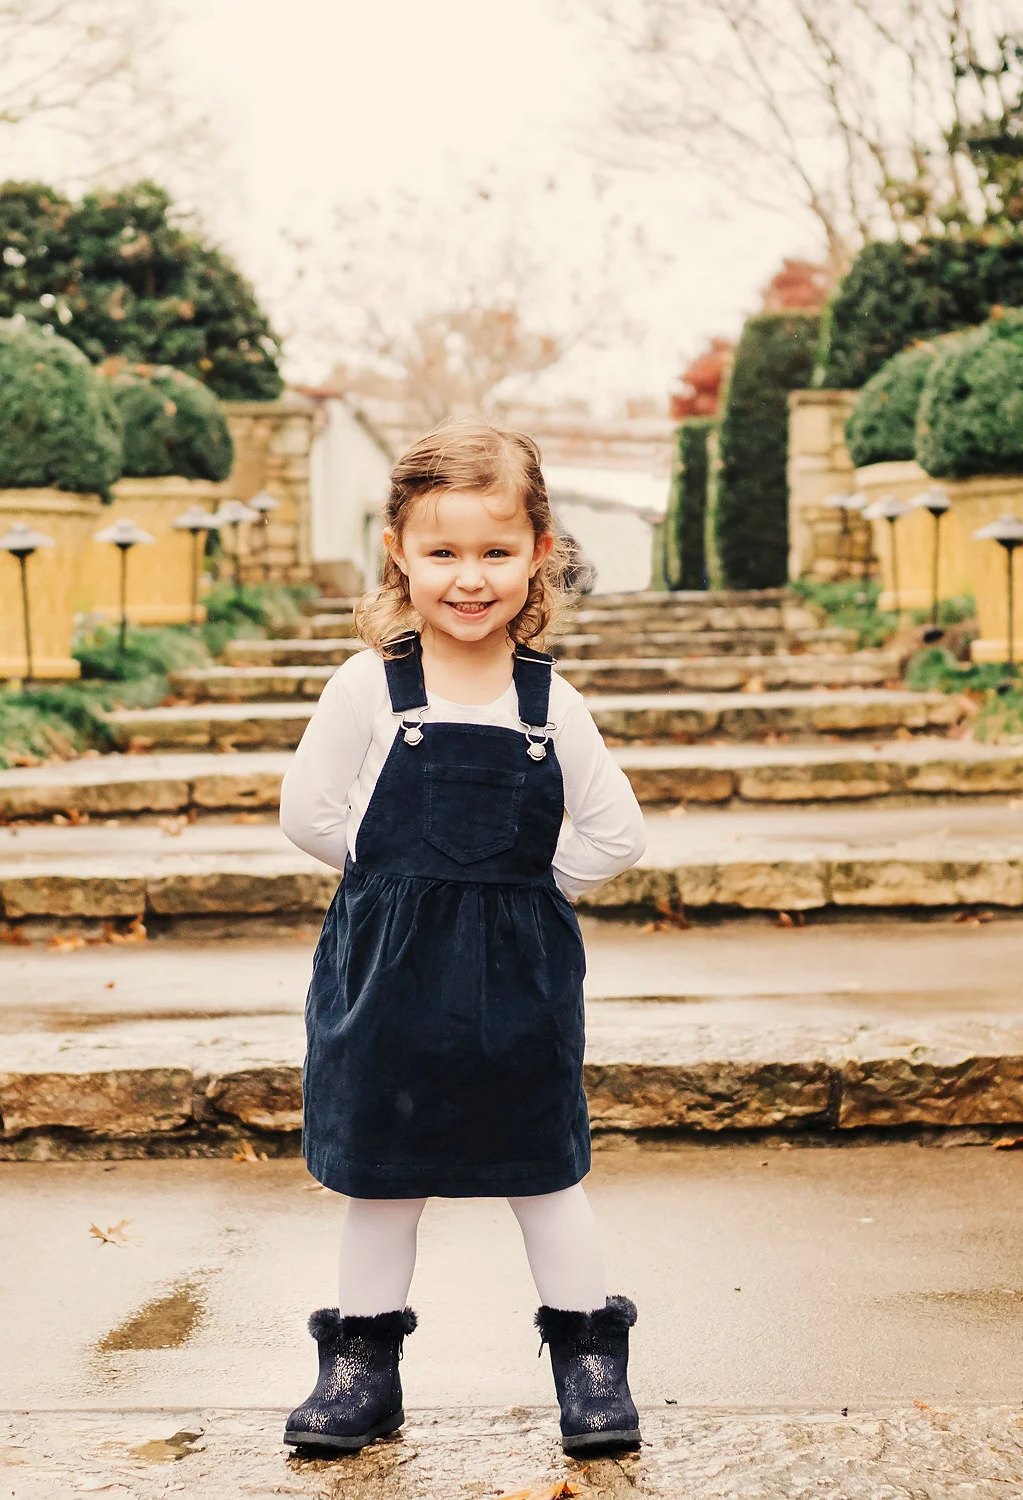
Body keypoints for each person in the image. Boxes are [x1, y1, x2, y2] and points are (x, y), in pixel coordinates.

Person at [277, 420, 648, 1458]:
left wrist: (528, 890)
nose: (469, 578)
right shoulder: (367, 690)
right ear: (398, 549)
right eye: (442, 553)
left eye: (494, 551)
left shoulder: (549, 702)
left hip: (517, 991)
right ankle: (359, 1369)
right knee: (383, 1179)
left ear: (538, 551)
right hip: (387, 984)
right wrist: (393, 884)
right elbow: (306, 815)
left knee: (544, 1173)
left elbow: (615, 831)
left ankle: (588, 1363)